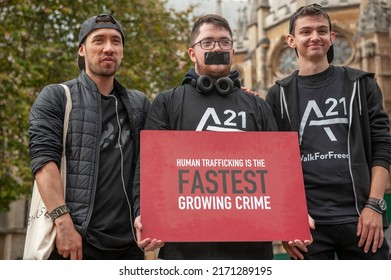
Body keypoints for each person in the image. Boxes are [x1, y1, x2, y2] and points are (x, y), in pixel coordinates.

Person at [137, 14, 278, 260]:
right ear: (192, 53)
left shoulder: (258, 105)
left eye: (224, 42)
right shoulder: (167, 102)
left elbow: (278, 170)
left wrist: (291, 219)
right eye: (207, 42)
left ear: (233, 53)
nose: (217, 48)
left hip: (251, 250)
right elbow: (149, 168)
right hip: (185, 251)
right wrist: (144, 214)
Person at [266, 4, 391, 260]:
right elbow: (271, 162)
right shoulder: (278, 94)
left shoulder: (361, 84)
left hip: (362, 218)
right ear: (291, 40)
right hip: (307, 224)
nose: (315, 37)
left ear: (332, 37)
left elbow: (382, 145)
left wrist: (374, 206)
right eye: (306, 31)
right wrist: (288, 217)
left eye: (322, 30)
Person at [28, 14, 152, 260]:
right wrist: (63, 223)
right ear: (82, 50)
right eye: (99, 40)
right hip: (74, 242)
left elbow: (153, 164)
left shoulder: (139, 104)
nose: (109, 48)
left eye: (116, 41)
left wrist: (241, 95)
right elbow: (43, 162)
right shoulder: (57, 97)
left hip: (128, 246)